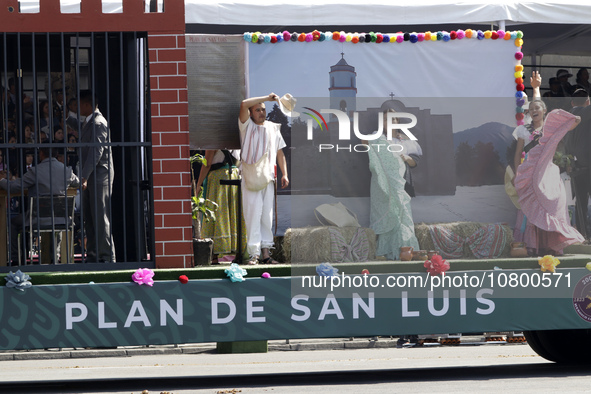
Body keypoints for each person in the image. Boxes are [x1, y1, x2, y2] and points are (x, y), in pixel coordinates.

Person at [514, 109, 584, 256]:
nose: (534, 110)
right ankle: (532, 245)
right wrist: (518, 174)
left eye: (537, 108)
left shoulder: (551, 129)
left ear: (544, 111)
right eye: (531, 108)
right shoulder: (524, 130)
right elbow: (517, 154)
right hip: (531, 172)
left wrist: (572, 118)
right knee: (532, 206)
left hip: (548, 171)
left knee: (553, 204)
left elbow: (576, 121)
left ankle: (551, 244)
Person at [0, 147, 79, 265]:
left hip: (37, 219)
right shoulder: (66, 171)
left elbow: (14, 187)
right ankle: (55, 258)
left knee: (13, 223)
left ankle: (16, 259)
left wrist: (1, 180)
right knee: (54, 224)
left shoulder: (35, 171)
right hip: (61, 218)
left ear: (41, 154)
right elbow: (77, 182)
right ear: (56, 154)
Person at [362, 108, 420, 261]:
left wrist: (406, 158)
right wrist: (377, 140)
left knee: (402, 217)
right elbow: (364, 143)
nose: (390, 122)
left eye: (393, 119)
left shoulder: (405, 140)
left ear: (397, 121)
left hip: (401, 184)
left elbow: (415, 162)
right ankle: (386, 253)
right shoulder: (379, 138)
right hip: (383, 187)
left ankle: (406, 251)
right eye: (386, 120)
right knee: (388, 215)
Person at [238, 93, 289, 265]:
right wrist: (268, 98)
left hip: (268, 178)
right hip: (250, 177)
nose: (261, 112)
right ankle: (254, 255)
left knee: (267, 217)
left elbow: (280, 152)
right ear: (251, 113)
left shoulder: (273, 128)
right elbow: (244, 104)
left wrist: (285, 174)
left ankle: (266, 255)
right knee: (252, 215)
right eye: (257, 110)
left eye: (263, 109)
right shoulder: (246, 127)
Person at [77, 90, 116, 263]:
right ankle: (93, 254)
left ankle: (106, 257)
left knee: (101, 217)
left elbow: (96, 152)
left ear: (86, 104)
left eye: (79, 104)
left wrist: (84, 176)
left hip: (100, 176)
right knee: (90, 217)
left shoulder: (99, 123)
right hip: (92, 176)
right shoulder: (90, 122)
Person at [195, 149, 246, 263]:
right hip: (235, 175)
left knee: (217, 212)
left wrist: (198, 185)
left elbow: (207, 164)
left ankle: (214, 254)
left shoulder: (214, 139)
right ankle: (238, 251)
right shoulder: (236, 136)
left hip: (219, 177)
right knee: (234, 211)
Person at [567, 89, 591, 240]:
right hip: (588, 165)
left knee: (580, 203)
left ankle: (583, 236)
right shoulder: (587, 112)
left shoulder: (566, 116)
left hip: (573, 166)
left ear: (571, 102)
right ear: (588, 102)